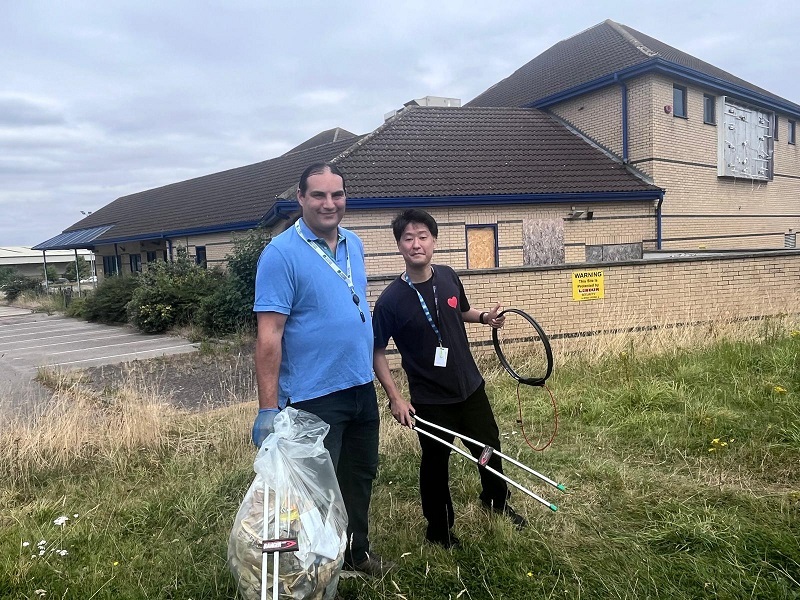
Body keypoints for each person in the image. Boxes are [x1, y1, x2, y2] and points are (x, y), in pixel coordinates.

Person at [252, 162, 393, 577]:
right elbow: (269, 336)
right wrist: (267, 407)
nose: (329, 204)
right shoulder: (280, 254)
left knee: (359, 476)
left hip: (359, 385)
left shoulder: (355, 243)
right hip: (314, 396)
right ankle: (312, 569)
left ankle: (356, 553)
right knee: (313, 490)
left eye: (337, 195)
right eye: (318, 195)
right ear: (300, 198)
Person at [372, 208, 527, 549]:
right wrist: (397, 398)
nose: (416, 244)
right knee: (435, 465)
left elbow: (461, 310)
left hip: (470, 387)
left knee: (488, 447)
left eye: (423, 237)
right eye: (408, 238)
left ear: (434, 241)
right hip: (430, 399)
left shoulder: (448, 276)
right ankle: (439, 531)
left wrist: (486, 317)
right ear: (399, 245)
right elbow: (376, 351)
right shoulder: (390, 302)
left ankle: (495, 501)